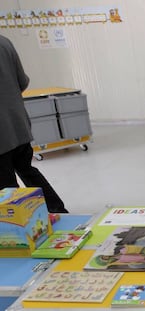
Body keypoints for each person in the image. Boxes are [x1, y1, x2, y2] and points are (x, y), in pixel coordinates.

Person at [0, 34, 68, 213]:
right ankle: (57, 210)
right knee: (26, 169)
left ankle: (18, 228)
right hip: (18, 123)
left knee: (5, 187)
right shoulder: (4, 41)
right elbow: (22, 82)